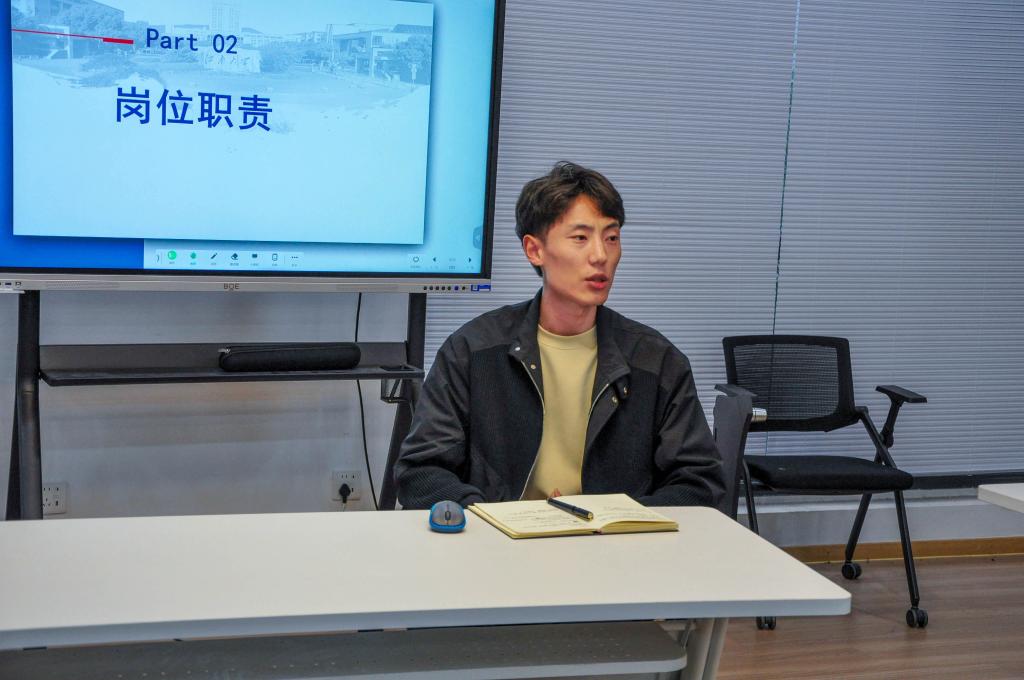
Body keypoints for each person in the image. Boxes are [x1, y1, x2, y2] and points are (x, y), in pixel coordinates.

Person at [394, 162, 724, 509]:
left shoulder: (656, 361)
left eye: (611, 238)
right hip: (497, 537)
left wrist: (620, 518)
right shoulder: (471, 351)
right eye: (580, 238)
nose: (601, 255)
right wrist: (483, 515)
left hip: (616, 540)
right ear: (534, 250)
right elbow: (421, 471)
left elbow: (699, 482)